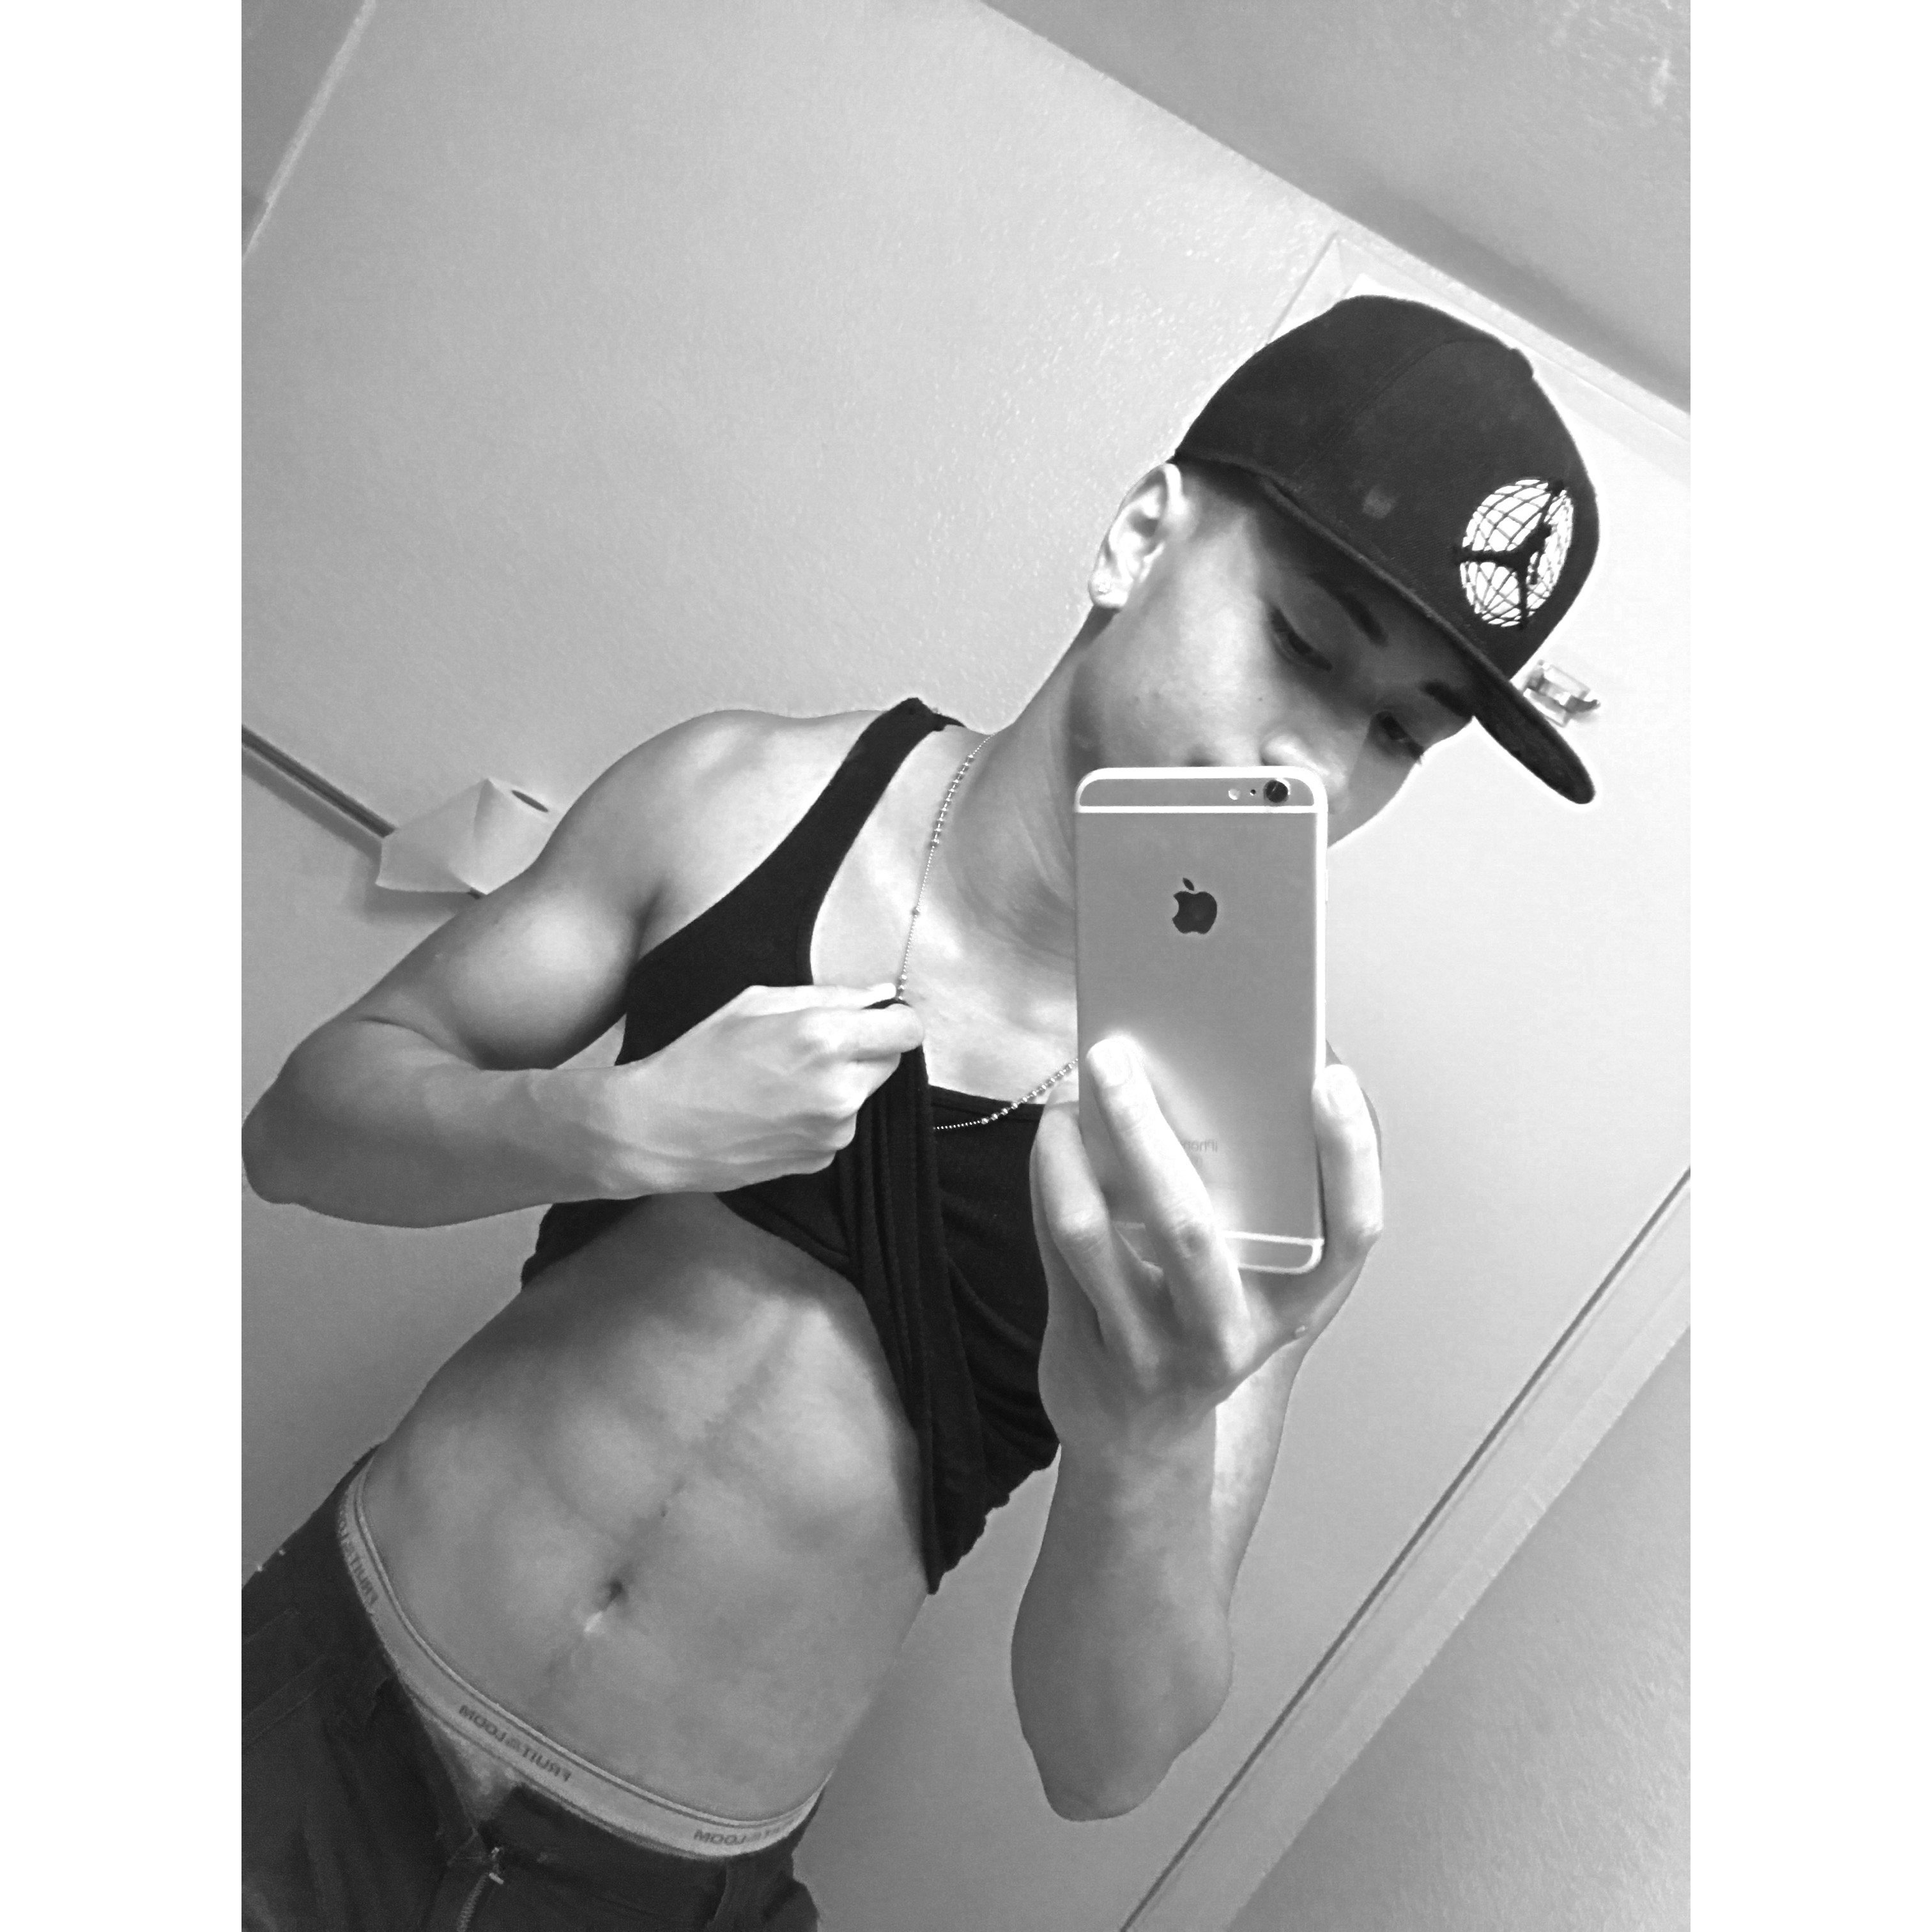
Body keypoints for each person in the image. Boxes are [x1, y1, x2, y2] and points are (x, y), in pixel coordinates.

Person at [241, 295, 1601, 1931]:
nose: (1315, 767)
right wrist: (608, 1126)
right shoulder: (741, 799)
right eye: (1305, 647)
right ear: (1141, 535)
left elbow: (1105, 1759)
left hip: (652, 1884)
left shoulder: (1238, 1151)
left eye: (1397, 732)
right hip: (323, 1706)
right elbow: (297, 1132)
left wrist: (1148, 1441)